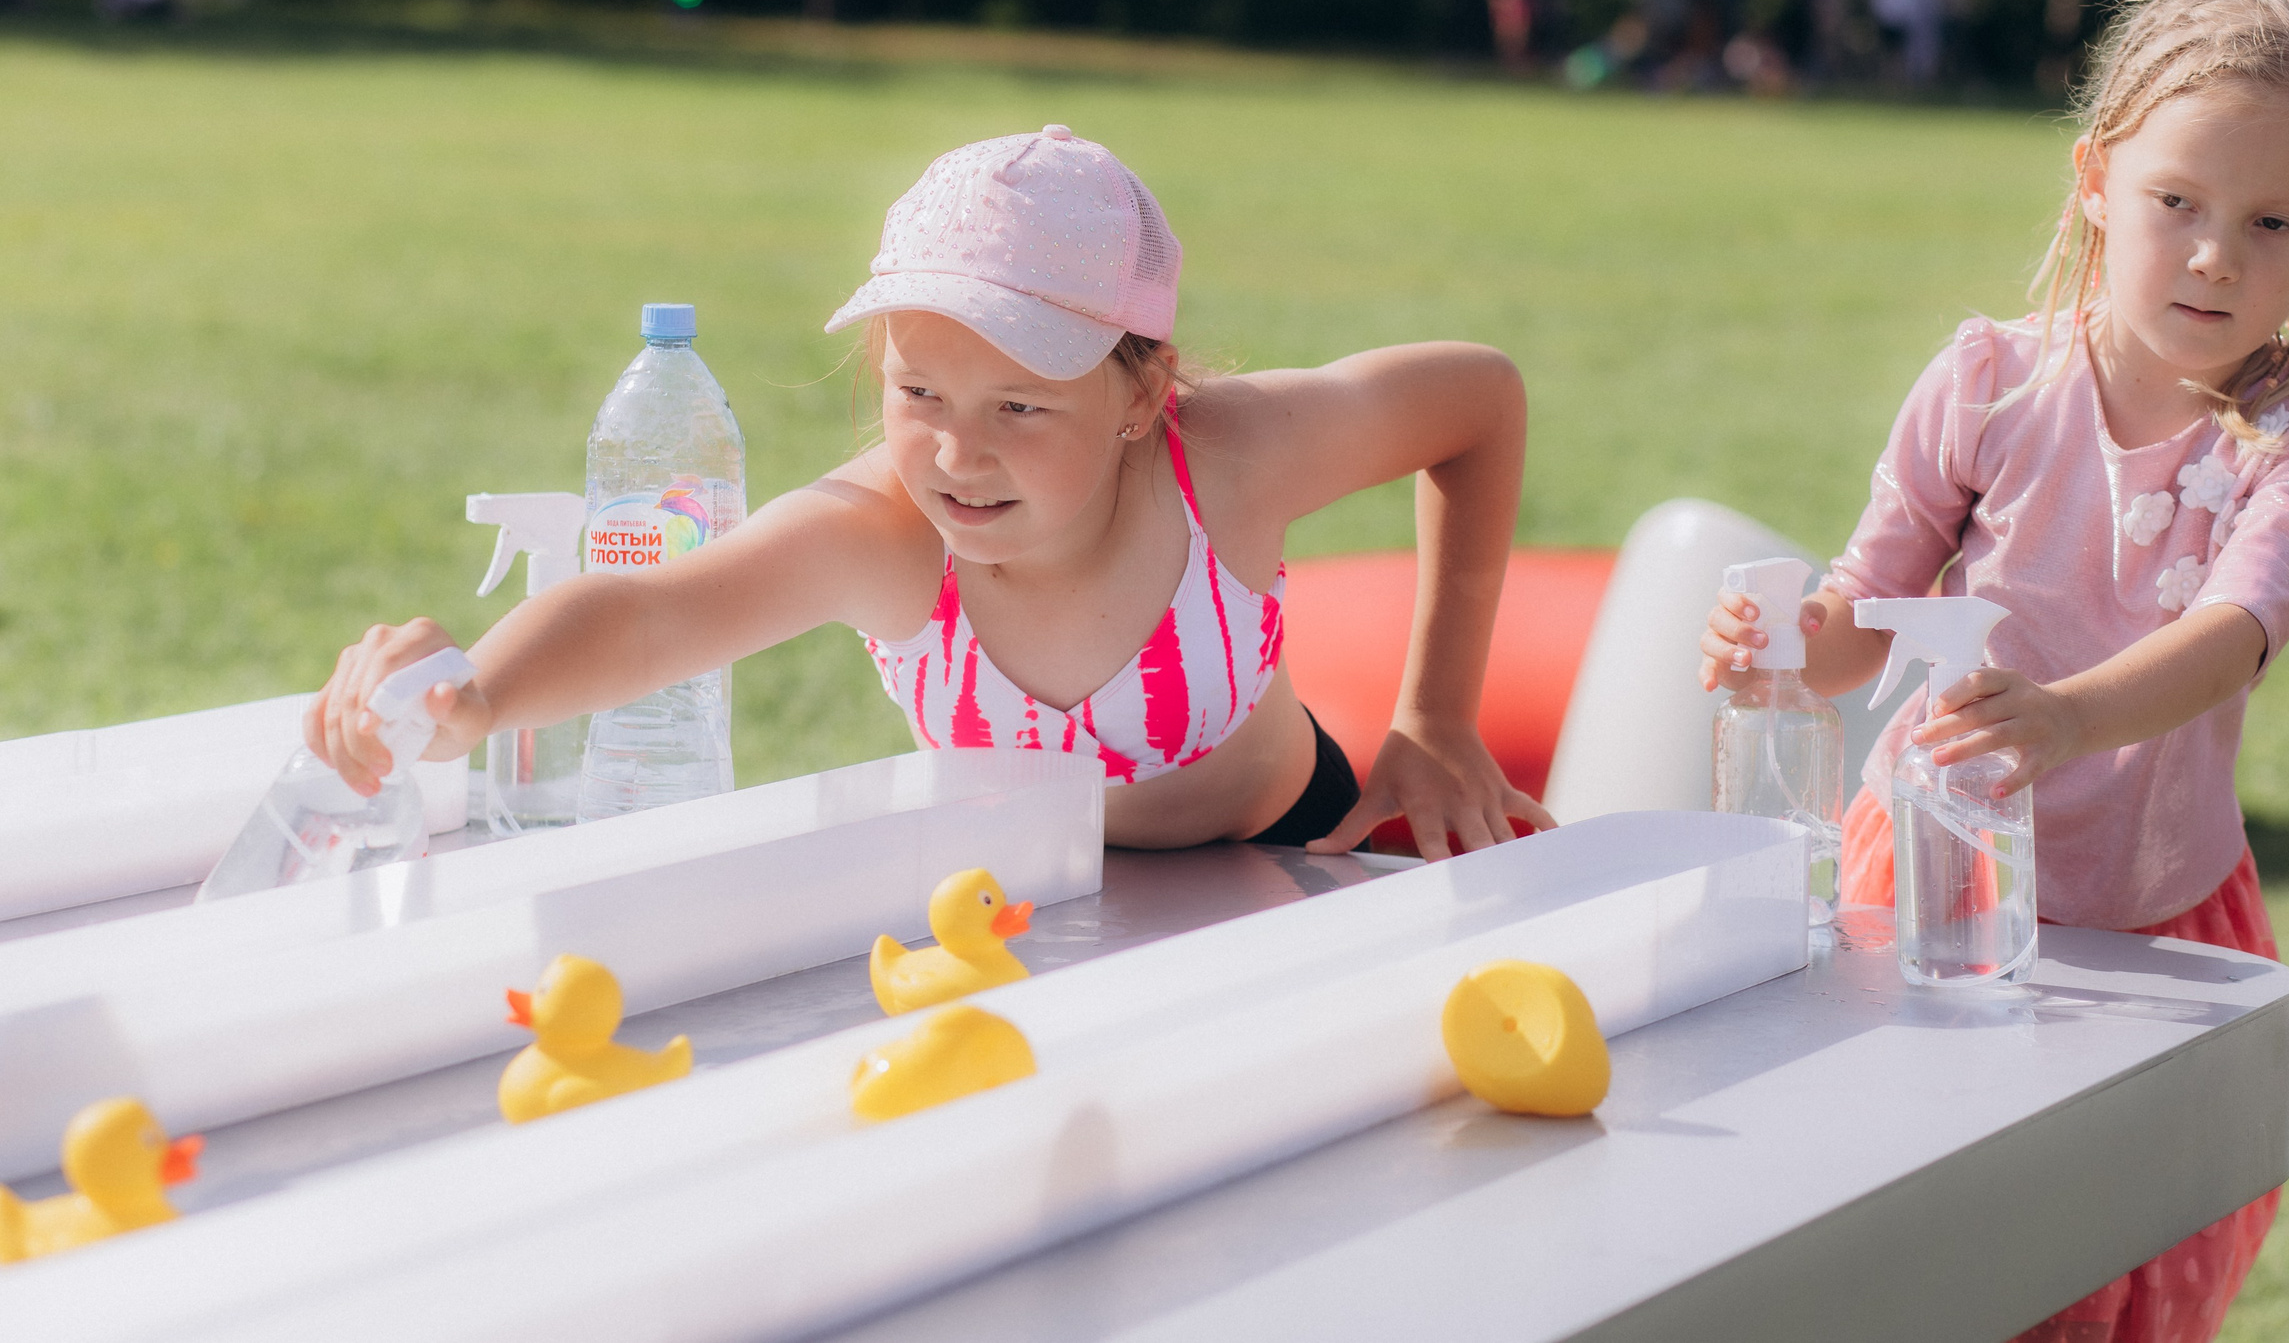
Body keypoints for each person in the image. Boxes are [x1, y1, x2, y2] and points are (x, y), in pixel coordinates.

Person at [1700, 0, 2289, 1343]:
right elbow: (1863, 621)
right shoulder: (1985, 383)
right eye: (2177, 203)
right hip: (1924, 887)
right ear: (2096, 178)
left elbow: (2233, 632)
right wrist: (1781, 641)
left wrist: (2067, 718)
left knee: (2101, 1256)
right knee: (1912, 1232)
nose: (2215, 252)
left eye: (2269, 221)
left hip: (2149, 909)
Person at [309, 124, 1550, 861]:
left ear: (1137, 394)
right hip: (1025, 908)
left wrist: (1437, 719)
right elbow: (650, 615)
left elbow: (1479, 402)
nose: (960, 455)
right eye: (918, 396)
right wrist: (477, 691)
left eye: (1021, 406)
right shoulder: (887, 540)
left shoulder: (1229, 460)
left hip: (1293, 855)